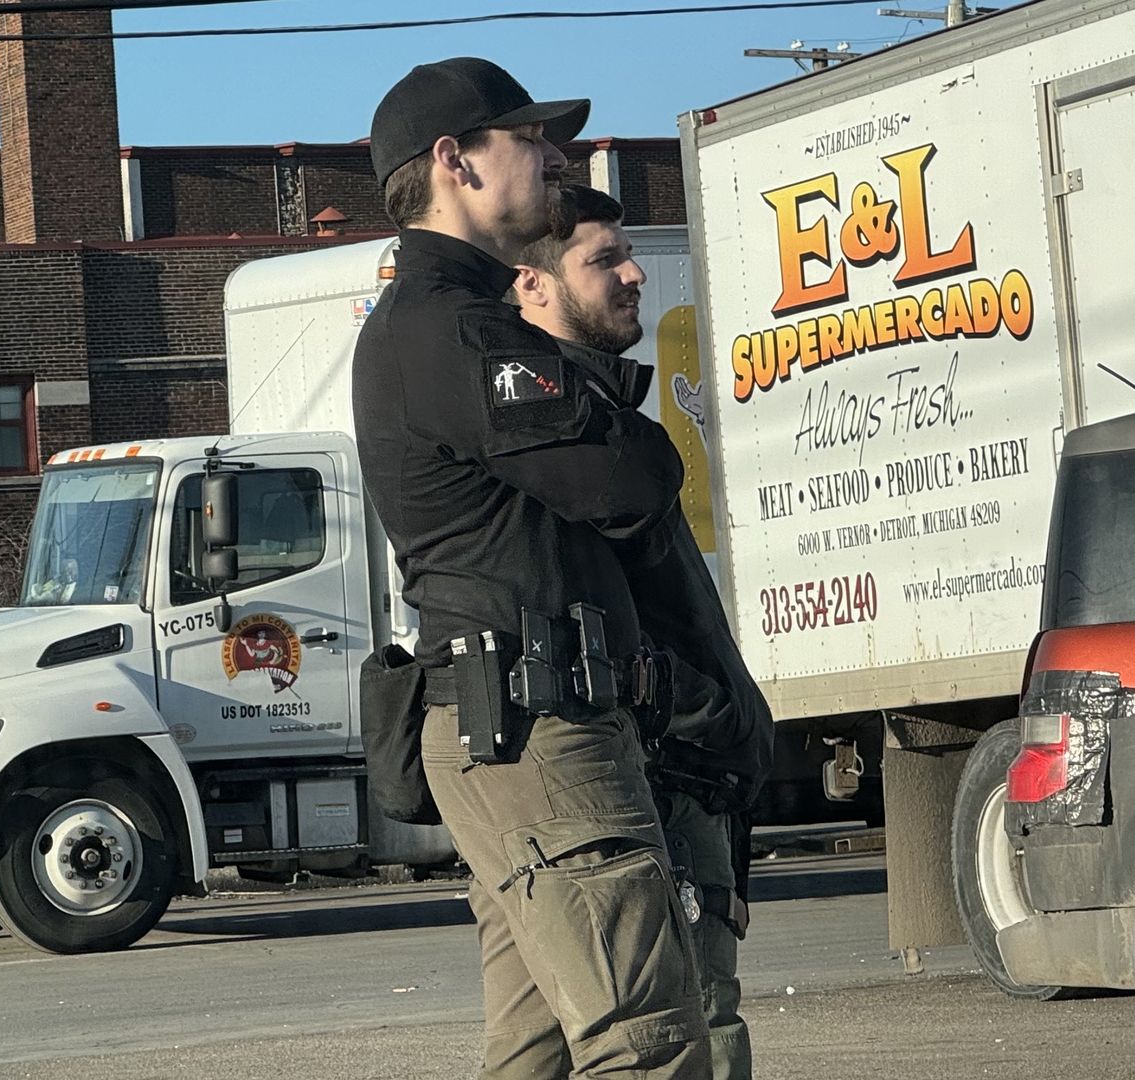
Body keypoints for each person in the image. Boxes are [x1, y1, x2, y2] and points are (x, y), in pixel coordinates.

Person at [351, 59, 709, 1078]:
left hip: (517, 727)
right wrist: (605, 415)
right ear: (453, 161)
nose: (557, 156)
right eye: (529, 137)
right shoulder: (451, 330)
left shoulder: (463, 323)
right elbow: (633, 478)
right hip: (538, 732)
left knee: (539, 1054)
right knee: (648, 1043)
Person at [514, 185, 775, 1080]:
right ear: (531, 288)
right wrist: (698, 715)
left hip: (679, 772)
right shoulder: (550, 439)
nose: (633, 274)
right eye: (602, 260)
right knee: (684, 1031)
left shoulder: (603, 417)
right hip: (641, 780)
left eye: (629, 254)